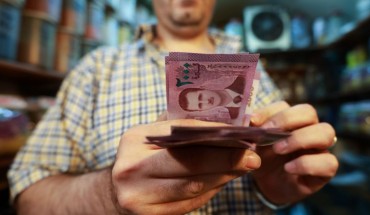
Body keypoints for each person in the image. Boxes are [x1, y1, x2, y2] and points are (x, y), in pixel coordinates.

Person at [8, 0, 338, 214]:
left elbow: (275, 179)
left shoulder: (257, 69)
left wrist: (274, 189)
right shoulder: (96, 68)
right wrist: (108, 193)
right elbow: (27, 196)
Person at [178, 75, 245, 119]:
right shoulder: (237, 118)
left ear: (204, 88)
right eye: (200, 105)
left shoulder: (242, 79)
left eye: (201, 97)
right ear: (202, 110)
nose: (206, 101)